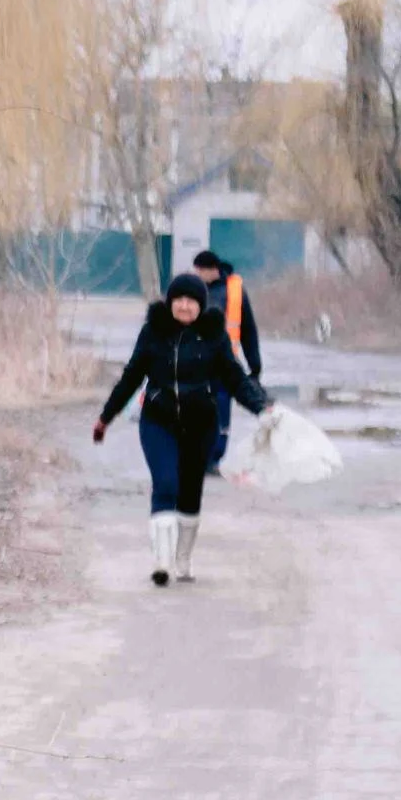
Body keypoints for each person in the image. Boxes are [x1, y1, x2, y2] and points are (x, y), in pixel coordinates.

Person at [94, 272, 273, 586]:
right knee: (165, 484)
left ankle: (183, 559)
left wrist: (261, 407)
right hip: (158, 422)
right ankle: (161, 563)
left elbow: (235, 379)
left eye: (191, 301)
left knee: (190, 493)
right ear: (170, 301)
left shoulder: (214, 336)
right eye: (179, 299)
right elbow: (131, 376)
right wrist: (106, 418)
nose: (185, 306)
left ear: (201, 306)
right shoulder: (153, 332)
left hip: (201, 425)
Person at [192, 249, 263, 475]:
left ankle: (214, 459)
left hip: (224, 363)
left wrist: (255, 365)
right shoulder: (193, 289)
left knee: (221, 410)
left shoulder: (235, 291)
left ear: (212, 270)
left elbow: (248, 330)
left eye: (200, 271)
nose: (197, 274)